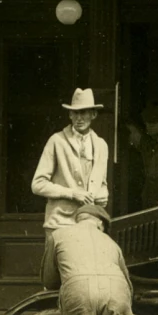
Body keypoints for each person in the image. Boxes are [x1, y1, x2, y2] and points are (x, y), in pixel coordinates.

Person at [32, 88, 110, 232]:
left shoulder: (101, 145)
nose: (79, 118)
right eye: (75, 113)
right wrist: (72, 193)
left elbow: (102, 183)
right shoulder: (57, 141)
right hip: (60, 224)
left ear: (93, 114)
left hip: (90, 224)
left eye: (84, 112)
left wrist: (102, 195)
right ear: (70, 115)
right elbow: (38, 184)